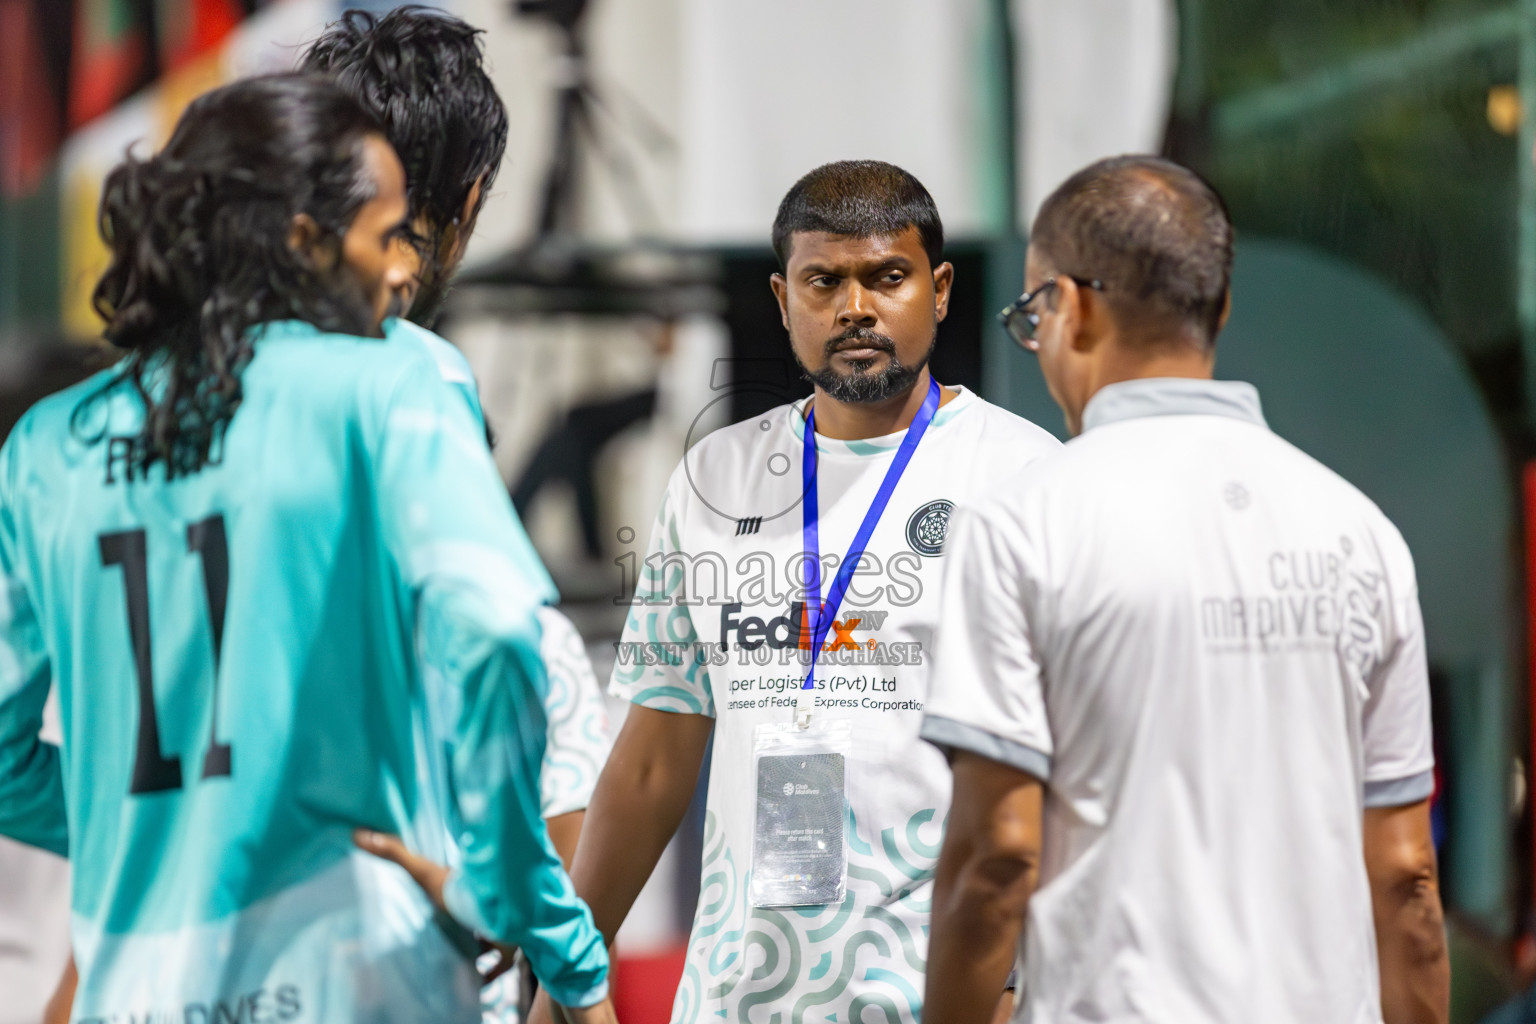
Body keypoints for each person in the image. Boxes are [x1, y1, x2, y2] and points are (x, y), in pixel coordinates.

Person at [0, 74, 615, 1024]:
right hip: (354, 972)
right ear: (303, 242)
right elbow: (497, 631)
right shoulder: (395, 380)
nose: (404, 270)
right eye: (385, 235)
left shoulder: (47, 445)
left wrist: (172, 828)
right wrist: (518, 904)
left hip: (137, 990)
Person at [529, 160, 1061, 1024]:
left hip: (941, 998)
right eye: (826, 281)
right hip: (738, 997)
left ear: (941, 289)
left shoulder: (1024, 476)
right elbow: (653, 759)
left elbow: (1069, 775)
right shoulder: (715, 476)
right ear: (782, 300)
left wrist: (1015, 987)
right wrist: (564, 981)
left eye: (889, 277)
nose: (857, 306)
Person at [921, 154, 1448, 1024]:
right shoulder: (1360, 533)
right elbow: (1403, 875)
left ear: (1070, 306)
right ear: (1220, 309)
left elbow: (998, 856)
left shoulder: (1024, 523)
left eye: (1031, 316)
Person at [298, 13, 614, 1014]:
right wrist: (568, 965)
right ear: (468, 203)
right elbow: (496, 648)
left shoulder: (136, 426)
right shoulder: (421, 376)